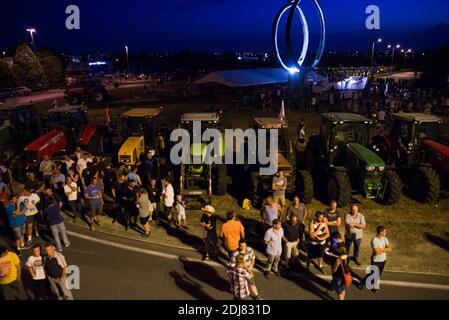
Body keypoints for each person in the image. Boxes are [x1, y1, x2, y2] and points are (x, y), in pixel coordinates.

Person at [364, 226, 392, 292]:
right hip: (376, 261)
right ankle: (372, 286)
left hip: (383, 260)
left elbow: (390, 249)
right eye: (385, 231)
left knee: (377, 274)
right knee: (375, 274)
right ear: (381, 232)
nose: (386, 233)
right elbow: (377, 252)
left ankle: (364, 281)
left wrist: (381, 249)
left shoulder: (385, 238)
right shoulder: (374, 240)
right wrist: (385, 249)